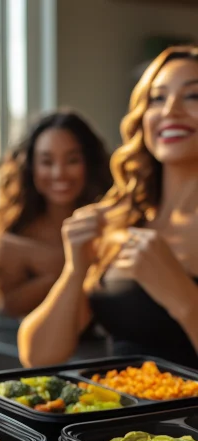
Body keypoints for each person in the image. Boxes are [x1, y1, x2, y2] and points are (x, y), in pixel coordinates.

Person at [18, 46, 198, 370]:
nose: (170, 110)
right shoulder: (120, 220)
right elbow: (38, 356)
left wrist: (183, 298)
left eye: (193, 96)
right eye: (157, 98)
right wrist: (75, 270)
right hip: (116, 419)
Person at [0, 111, 111, 318]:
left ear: (89, 164)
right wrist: (69, 269)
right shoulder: (12, 243)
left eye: (72, 160)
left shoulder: (114, 223)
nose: (59, 173)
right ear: (31, 168)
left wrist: (52, 267)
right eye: (47, 162)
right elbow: (8, 307)